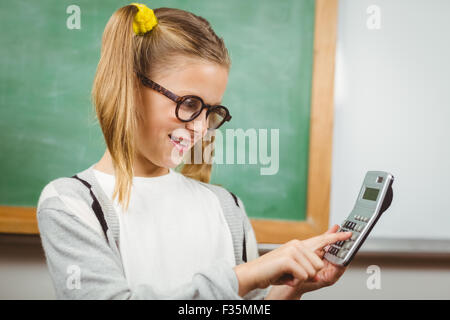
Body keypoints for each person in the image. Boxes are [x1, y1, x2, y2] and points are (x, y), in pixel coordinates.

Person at [37, 3, 352, 300]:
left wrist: (288, 289)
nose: (201, 129)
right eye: (189, 104)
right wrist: (245, 276)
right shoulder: (71, 204)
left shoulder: (226, 207)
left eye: (212, 111)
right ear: (131, 87)